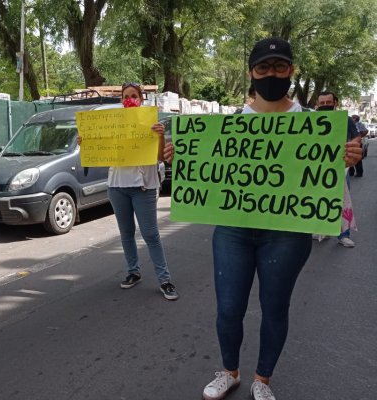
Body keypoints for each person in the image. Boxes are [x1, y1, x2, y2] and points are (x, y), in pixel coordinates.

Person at [161, 38, 362, 400]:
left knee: (274, 308)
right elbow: (211, 172)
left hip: (287, 235)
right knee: (228, 309)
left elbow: (327, 174)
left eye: (279, 67)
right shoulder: (231, 123)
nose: (271, 74)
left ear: (292, 72)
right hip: (234, 232)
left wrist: (347, 157)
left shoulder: (314, 125)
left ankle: (262, 379)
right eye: (263, 67)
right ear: (251, 73)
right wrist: (181, 158)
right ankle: (229, 371)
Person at [78, 83, 178, 300]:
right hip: (117, 187)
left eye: (134, 96)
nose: (130, 99)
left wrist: (161, 136)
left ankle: (165, 280)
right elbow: (98, 150)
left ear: (141, 99)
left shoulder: (152, 123)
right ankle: (133, 272)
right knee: (126, 233)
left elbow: (161, 158)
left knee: (151, 234)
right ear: (121, 100)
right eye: (126, 96)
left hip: (144, 188)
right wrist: (85, 142)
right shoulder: (112, 124)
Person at [315, 91, 359, 247]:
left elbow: (356, 137)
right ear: (317, 104)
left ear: (335, 103)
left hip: (341, 166)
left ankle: (343, 235)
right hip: (318, 167)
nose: (325, 105)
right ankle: (323, 229)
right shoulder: (313, 120)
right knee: (319, 198)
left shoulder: (345, 120)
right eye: (322, 103)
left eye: (328, 102)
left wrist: (350, 149)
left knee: (340, 200)